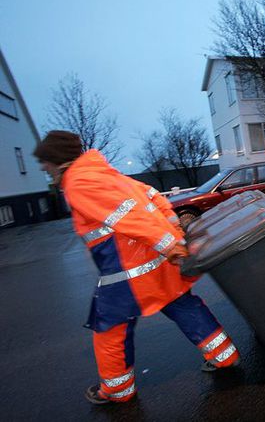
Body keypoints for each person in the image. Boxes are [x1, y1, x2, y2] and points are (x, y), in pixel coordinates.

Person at [33, 130, 240, 405]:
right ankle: (224, 356)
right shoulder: (104, 173)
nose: (44, 170)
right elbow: (152, 195)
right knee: (181, 304)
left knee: (109, 328)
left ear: (58, 162)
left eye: (45, 164)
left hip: (128, 269)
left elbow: (127, 217)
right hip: (155, 261)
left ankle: (118, 389)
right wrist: (173, 231)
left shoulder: (78, 183)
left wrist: (168, 244)